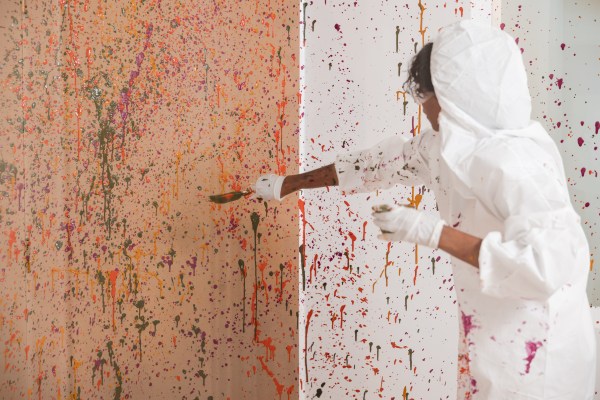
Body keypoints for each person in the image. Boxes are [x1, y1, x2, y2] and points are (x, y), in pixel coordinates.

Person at [252, 20, 596, 399]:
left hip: (543, 358)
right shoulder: (450, 147)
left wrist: (430, 233)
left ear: (461, 91)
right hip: (491, 342)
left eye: (431, 91)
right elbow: (377, 164)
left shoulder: (519, 163)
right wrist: (291, 183)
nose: (424, 105)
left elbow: (544, 267)